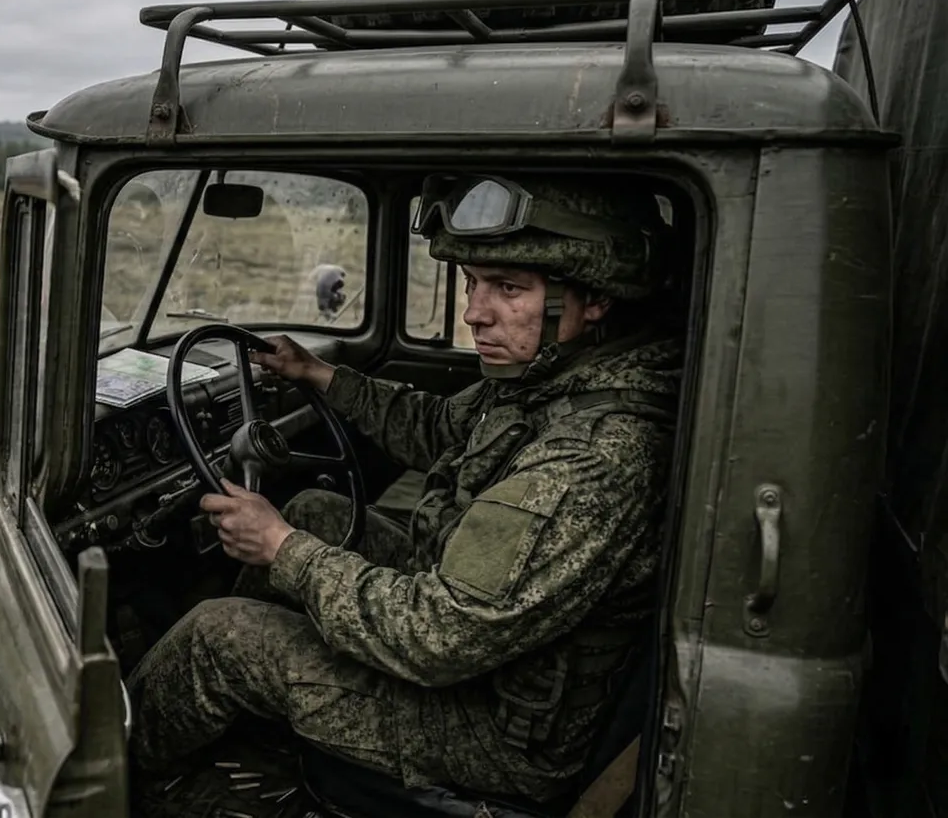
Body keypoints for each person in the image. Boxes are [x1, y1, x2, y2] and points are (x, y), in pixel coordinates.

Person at [124, 172, 686, 804]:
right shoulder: (557, 379)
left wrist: (282, 547)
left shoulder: (593, 456)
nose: (475, 311)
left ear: (595, 298)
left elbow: (437, 636)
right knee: (313, 508)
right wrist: (316, 373)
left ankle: (106, 784)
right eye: (473, 284)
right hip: (487, 661)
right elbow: (442, 428)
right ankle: (266, 723)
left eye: (508, 289)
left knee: (218, 637)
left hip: (494, 733)